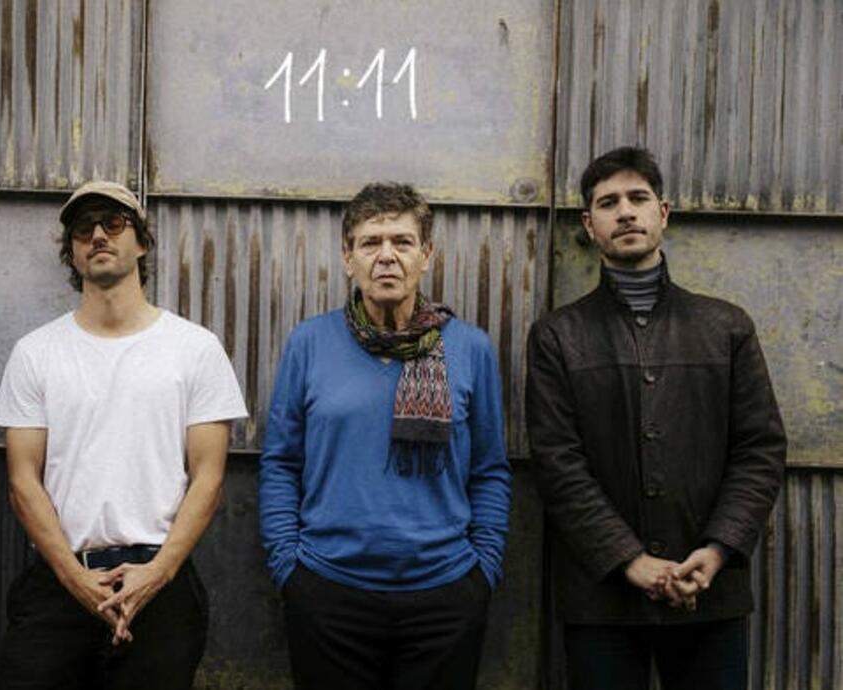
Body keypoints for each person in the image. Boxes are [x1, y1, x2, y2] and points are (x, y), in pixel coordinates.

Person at [526, 146, 786, 690]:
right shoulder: (557, 336)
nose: (625, 212)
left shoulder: (726, 326)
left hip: (709, 592)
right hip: (603, 599)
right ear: (589, 224)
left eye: (638, 198)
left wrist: (716, 550)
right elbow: (558, 464)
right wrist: (629, 560)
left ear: (662, 213)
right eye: (608, 203)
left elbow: (759, 450)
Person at [0, 181, 247, 689]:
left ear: (142, 242)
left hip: (161, 583)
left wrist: (158, 574)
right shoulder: (36, 353)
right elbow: (23, 481)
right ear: (71, 251)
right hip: (61, 580)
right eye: (83, 229)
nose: (98, 236)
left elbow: (209, 477)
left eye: (113, 223)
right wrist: (76, 580)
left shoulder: (195, 349)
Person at [259, 182, 512, 690]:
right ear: (348, 257)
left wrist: (482, 571)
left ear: (427, 255)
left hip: (445, 594)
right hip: (327, 590)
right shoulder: (309, 342)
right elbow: (281, 462)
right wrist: (289, 567)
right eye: (371, 243)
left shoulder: (470, 348)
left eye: (402, 242)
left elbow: (489, 470)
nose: (387, 256)